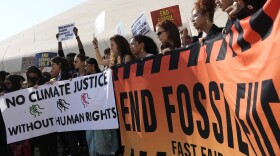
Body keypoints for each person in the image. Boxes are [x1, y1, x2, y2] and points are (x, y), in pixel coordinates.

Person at [4, 74, 31, 156]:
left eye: (8, 83)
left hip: (25, 126)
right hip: (14, 128)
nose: (7, 85)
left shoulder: (24, 91)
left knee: (26, 149)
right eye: (6, 84)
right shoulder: (5, 95)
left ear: (14, 82)